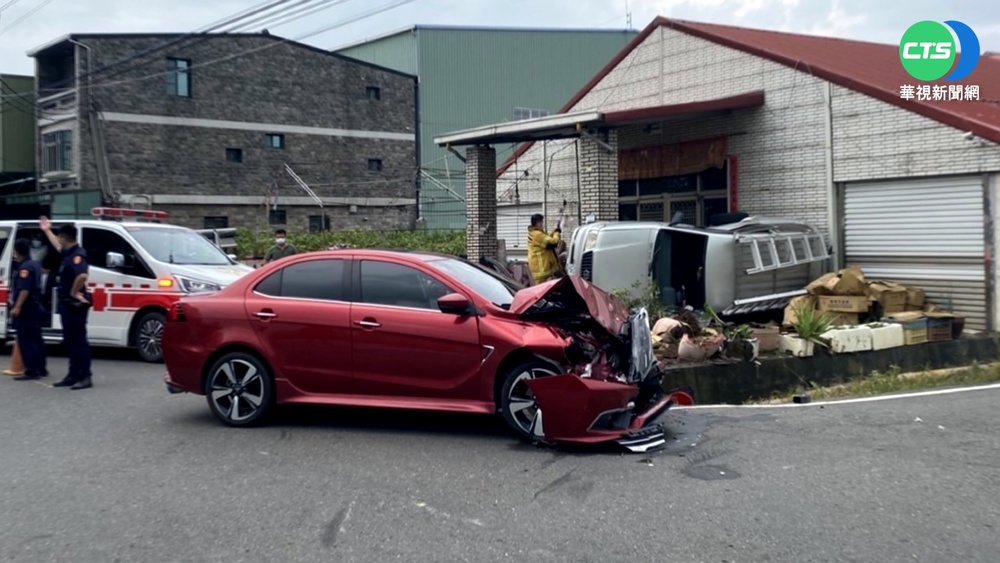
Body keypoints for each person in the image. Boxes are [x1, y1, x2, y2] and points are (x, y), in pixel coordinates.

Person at [40, 218, 93, 390]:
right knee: (70, 341)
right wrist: (47, 230)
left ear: (66, 238)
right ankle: (73, 374)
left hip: (74, 305)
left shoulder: (78, 255)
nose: (59, 240)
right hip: (66, 304)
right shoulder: (68, 252)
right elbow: (57, 245)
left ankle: (85, 376)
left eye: (60, 237)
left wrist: (73, 292)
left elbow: (82, 276)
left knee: (78, 341)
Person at [10, 239, 47, 381]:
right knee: (37, 339)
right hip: (36, 307)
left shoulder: (24, 268)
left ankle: (32, 370)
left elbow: (24, 289)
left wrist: (17, 306)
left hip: (27, 308)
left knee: (27, 340)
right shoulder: (35, 264)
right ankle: (41, 368)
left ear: (17, 252)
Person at [527, 213, 563, 284]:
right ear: (536, 223)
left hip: (540, 267)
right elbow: (554, 242)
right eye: (540, 222)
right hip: (541, 269)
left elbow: (547, 238)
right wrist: (557, 233)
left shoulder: (535, 232)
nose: (542, 223)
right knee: (543, 290)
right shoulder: (537, 234)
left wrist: (554, 231)